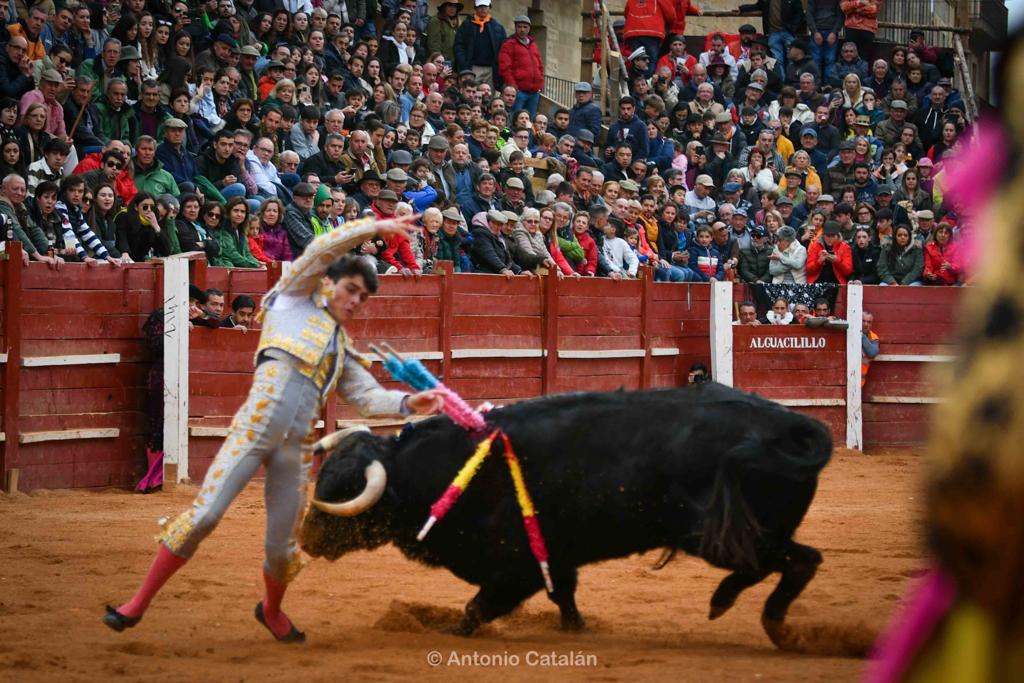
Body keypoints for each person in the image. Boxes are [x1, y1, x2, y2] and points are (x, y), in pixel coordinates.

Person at [102, 216, 445, 642]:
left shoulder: (341, 347)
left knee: (281, 545)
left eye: (363, 297)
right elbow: (322, 250)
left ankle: (272, 610)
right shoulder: (293, 298)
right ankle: (136, 604)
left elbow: (369, 397)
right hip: (253, 432)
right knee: (203, 516)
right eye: (351, 289)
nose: (355, 301)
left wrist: (411, 402)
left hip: (294, 451)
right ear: (329, 282)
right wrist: (372, 227)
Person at [497, 16, 543, 119]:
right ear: (515, 27)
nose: (522, 29)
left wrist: (540, 84)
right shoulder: (509, 44)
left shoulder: (534, 45)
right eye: (519, 26)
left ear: (529, 28)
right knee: (515, 119)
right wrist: (513, 87)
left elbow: (540, 65)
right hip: (519, 91)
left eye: (525, 27)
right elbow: (504, 67)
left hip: (534, 92)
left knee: (529, 121)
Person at [860, 309, 879, 386]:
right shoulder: (850, 333)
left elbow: (872, 353)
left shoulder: (873, 337)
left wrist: (862, 336)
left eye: (869, 322)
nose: (865, 324)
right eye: (863, 321)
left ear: (871, 324)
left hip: (860, 381)